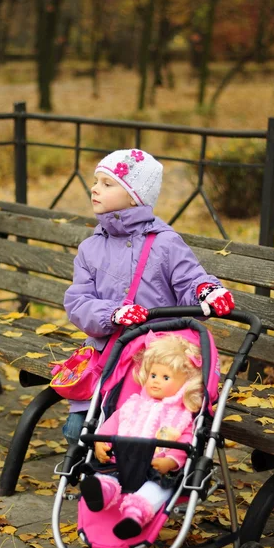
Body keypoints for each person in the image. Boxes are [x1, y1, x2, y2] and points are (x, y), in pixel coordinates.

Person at [63, 148, 234, 445]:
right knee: (79, 429)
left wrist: (207, 291)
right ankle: (101, 479)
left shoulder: (164, 242)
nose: (95, 188)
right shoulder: (91, 248)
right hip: (109, 354)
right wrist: (111, 314)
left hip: (156, 361)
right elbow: (78, 301)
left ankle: (143, 476)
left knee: (143, 426)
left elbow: (189, 278)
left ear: (134, 197)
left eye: (107, 183)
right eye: (96, 181)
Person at [79, 331, 204, 540]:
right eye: (153, 375)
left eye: (165, 377)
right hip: (120, 462)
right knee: (105, 477)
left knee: (157, 489)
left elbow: (185, 441)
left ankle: (134, 517)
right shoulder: (132, 404)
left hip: (156, 469)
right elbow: (112, 424)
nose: (155, 381)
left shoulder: (180, 415)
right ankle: (101, 492)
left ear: (184, 384)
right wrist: (100, 442)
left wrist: (171, 461)